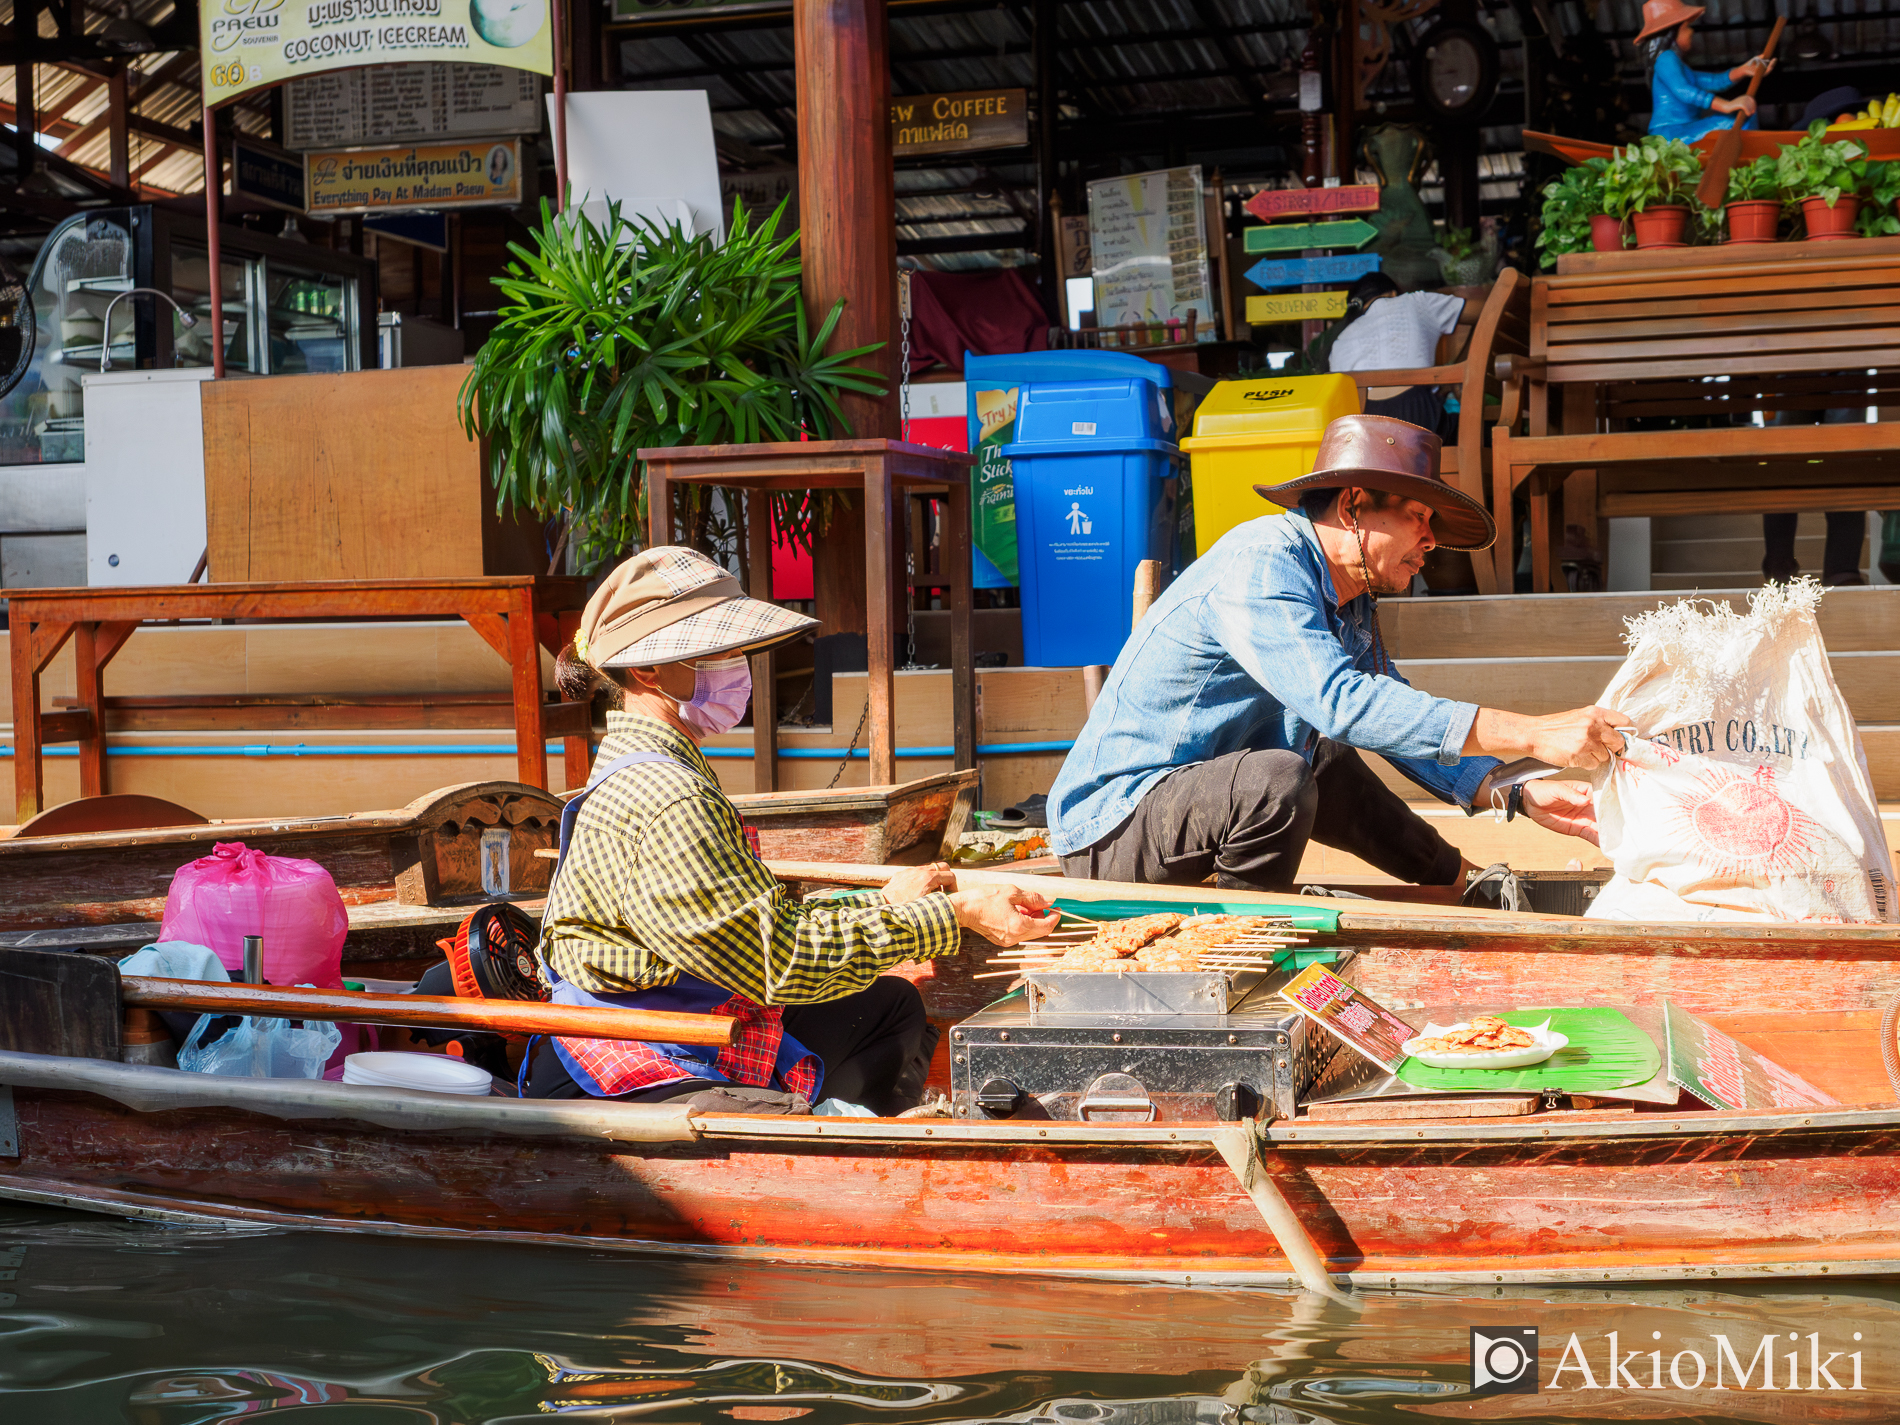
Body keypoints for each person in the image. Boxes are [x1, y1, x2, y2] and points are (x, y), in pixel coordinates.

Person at [527, 546, 1059, 1115]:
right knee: (801, 1111)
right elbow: (777, 961)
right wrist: (955, 915)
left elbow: (749, 917)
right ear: (648, 670)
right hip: (641, 1053)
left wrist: (881, 904)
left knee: (890, 1005)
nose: (739, 667)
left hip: (677, 1009)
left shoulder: (650, 766)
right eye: (721, 651)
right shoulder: (669, 798)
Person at [1048, 414, 1627, 898]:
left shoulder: (1351, 600)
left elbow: (1390, 715)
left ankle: (1459, 884)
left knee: (1322, 762)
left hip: (1199, 805)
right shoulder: (1263, 563)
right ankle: (1236, 948)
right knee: (1280, 778)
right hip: (1112, 829)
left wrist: (1514, 788)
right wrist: (1531, 733)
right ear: (1353, 504)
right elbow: (1342, 704)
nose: (1430, 540)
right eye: (1417, 518)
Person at [1321, 271, 1467, 437]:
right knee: (1477, 429)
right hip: (1417, 419)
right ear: (1393, 293)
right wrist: (1462, 364)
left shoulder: (1341, 339)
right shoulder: (1415, 302)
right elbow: (1484, 312)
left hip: (1363, 433)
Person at [1636, 0, 1772, 143]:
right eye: (1687, 27)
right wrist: (1726, 105)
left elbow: (1714, 81)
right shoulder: (1666, 58)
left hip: (1681, 129)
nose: (1691, 31)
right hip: (1670, 134)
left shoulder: (1679, 67)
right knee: (1735, 121)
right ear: (1673, 31)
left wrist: (1744, 70)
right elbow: (1685, 91)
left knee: (1740, 118)